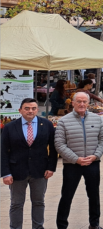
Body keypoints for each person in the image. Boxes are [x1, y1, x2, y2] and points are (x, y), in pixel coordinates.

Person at [54, 92, 103, 229]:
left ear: (88, 103)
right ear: (73, 103)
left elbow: (102, 139)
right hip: (72, 164)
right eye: (79, 101)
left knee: (94, 195)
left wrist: (96, 156)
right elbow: (59, 144)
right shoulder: (63, 121)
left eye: (84, 101)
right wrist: (76, 159)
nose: (82, 104)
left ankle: (94, 224)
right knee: (67, 195)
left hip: (92, 162)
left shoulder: (97, 119)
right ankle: (62, 225)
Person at [1, 98, 57, 229]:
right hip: (16, 172)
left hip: (40, 171)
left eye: (33, 108)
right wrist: (5, 173)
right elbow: (3, 151)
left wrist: (51, 167)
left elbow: (53, 148)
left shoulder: (47, 125)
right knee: (16, 203)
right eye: (27, 108)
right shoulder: (9, 127)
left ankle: (38, 227)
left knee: (38, 202)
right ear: (20, 110)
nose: (30, 111)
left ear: (37, 110)